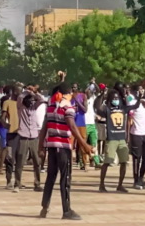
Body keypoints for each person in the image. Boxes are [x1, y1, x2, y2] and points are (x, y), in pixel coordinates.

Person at [38, 82, 93, 220]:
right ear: (67, 94)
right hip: (63, 147)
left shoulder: (50, 106)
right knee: (65, 178)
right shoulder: (68, 107)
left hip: (51, 146)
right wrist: (84, 145)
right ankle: (66, 210)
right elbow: (73, 127)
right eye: (70, 93)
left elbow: (44, 127)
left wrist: (41, 146)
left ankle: (45, 206)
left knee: (51, 177)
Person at [95, 89, 141, 193]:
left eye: (117, 98)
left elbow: (136, 106)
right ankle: (101, 185)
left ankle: (120, 185)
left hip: (121, 140)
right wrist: (101, 95)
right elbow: (97, 108)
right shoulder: (107, 110)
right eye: (114, 98)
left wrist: (139, 96)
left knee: (124, 162)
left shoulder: (123, 109)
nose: (116, 100)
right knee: (106, 163)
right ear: (110, 100)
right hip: (111, 140)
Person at [13, 84, 46, 193]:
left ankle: (37, 184)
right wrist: (27, 91)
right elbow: (20, 97)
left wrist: (34, 93)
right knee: (20, 161)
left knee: (37, 161)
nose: (31, 102)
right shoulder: (20, 107)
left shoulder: (34, 107)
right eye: (30, 100)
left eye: (32, 101)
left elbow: (42, 99)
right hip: (23, 135)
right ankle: (17, 184)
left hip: (34, 136)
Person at [128, 86, 145, 189]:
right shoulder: (132, 102)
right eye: (140, 90)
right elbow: (129, 118)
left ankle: (141, 177)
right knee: (137, 158)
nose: (142, 91)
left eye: (143, 90)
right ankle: (136, 180)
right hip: (136, 134)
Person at [1, 85, 21, 190]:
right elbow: (3, 117)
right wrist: (4, 123)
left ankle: (18, 182)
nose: (18, 94)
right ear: (13, 92)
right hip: (11, 134)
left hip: (21, 134)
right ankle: (9, 181)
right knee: (9, 158)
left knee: (19, 159)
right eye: (17, 92)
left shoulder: (22, 104)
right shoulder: (7, 103)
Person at [0, 85, 12, 173]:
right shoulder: (8, 100)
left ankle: (1, 166)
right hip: (4, 124)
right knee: (4, 147)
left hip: (2, 124)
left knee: (4, 146)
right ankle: (0, 167)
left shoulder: (3, 98)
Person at [85, 85, 101, 168]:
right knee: (84, 144)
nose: (89, 93)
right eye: (88, 91)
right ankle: (83, 163)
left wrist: (94, 83)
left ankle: (96, 161)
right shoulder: (82, 100)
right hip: (84, 125)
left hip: (92, 124)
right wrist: (88, 86)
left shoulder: (92, 99)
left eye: (90, 92)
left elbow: (98, 91)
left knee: (94, 143)